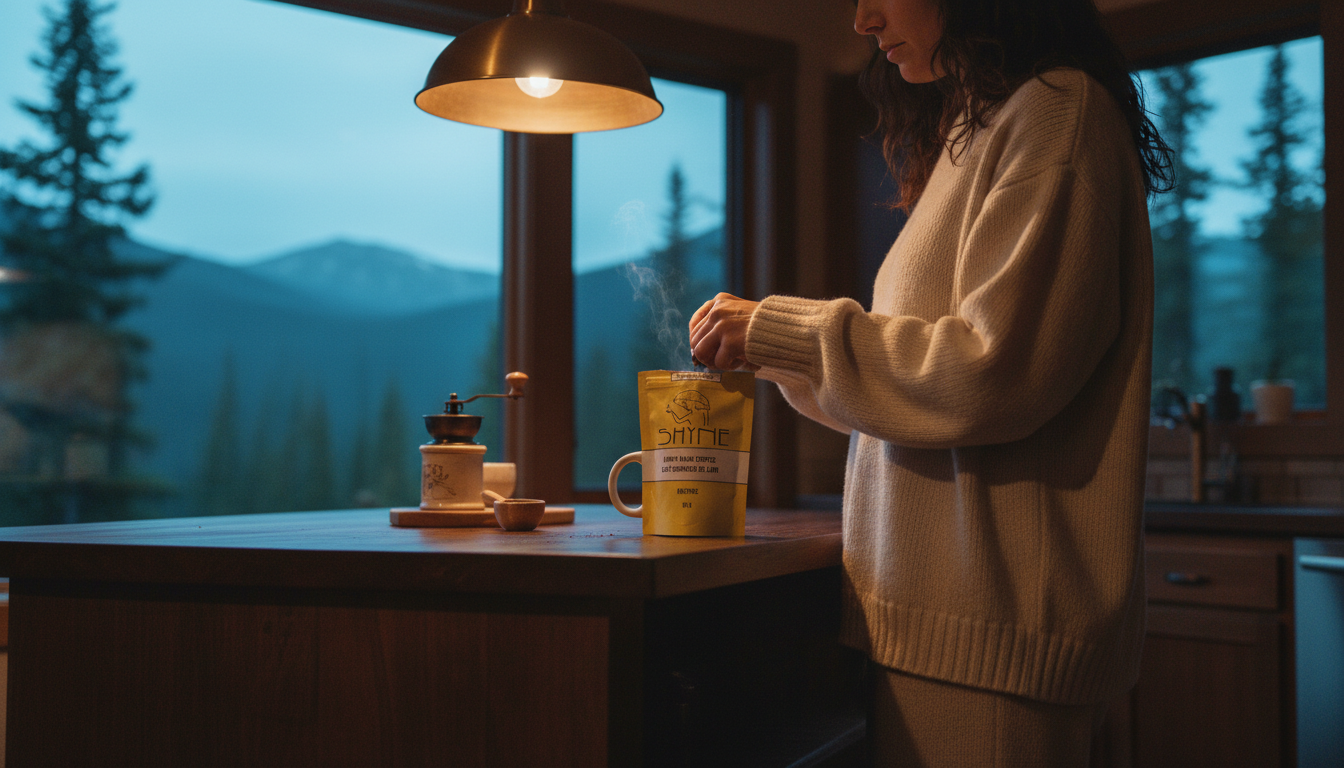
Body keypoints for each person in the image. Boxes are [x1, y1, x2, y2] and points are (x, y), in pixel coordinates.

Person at [689, 0, 1172, 764]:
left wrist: (791, 331)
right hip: (944, 620)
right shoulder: (976, 127)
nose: (862, 19)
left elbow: (991, 374)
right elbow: (922, 406)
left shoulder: (1057, 113)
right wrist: (771, 350)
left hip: (998, 627)